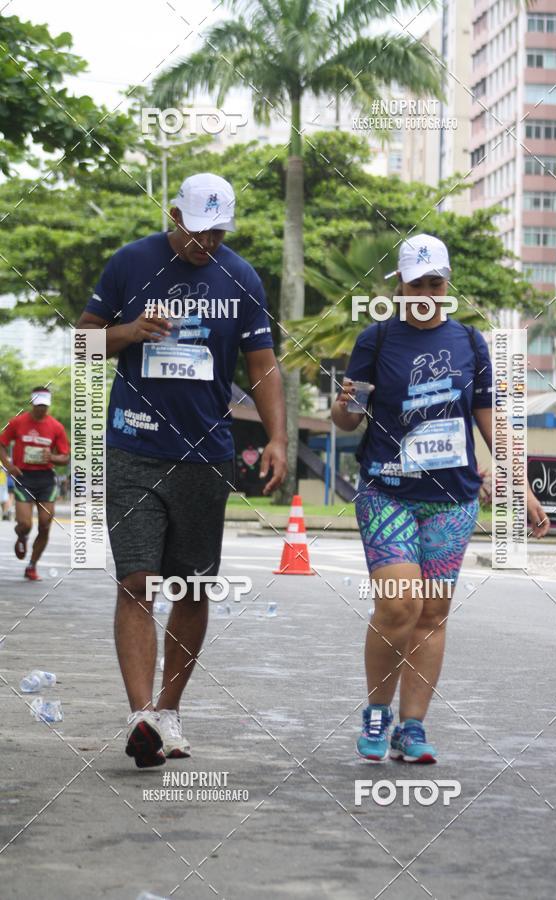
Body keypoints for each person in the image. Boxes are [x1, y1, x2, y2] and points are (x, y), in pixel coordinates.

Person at [77, 172, 287, 768]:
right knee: (136, 580)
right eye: (198, 231)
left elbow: (263, 364)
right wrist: (130, 331)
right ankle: (141, 714)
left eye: (218, 232)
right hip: (134, 447)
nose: (208, 243)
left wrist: (276, 437)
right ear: (174, 215)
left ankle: (168, 711)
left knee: (192, 589)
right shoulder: (130, 264)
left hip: (206, 453)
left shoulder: (241, 277)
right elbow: (82, 344)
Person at [332, 233, 550, 763]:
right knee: (399, 603)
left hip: (451, 497)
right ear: (400, 287)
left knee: (430, 612)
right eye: (416, 284)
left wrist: (519, 485)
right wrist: (344, 405)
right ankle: (377, 714)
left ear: (446, 283)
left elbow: (490, 421)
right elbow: (347, 417)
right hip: (388, 491)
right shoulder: (377, 340)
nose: (426, 292)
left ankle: (413, 727)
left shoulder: (471, 344)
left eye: (435, 282)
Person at [0, 388, 70, 580]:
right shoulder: (18, 422)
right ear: (32, 403)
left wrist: (52, 456)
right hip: (24, 477)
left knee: (45, 524)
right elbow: (2, 443)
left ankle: (32, 565)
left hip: (46, 479)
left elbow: (65, 457)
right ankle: (21, 535)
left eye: (45, 406)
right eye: (38, 405)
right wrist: (9, 465)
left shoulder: (56, 427)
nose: (42, 409)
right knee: (24, 523)